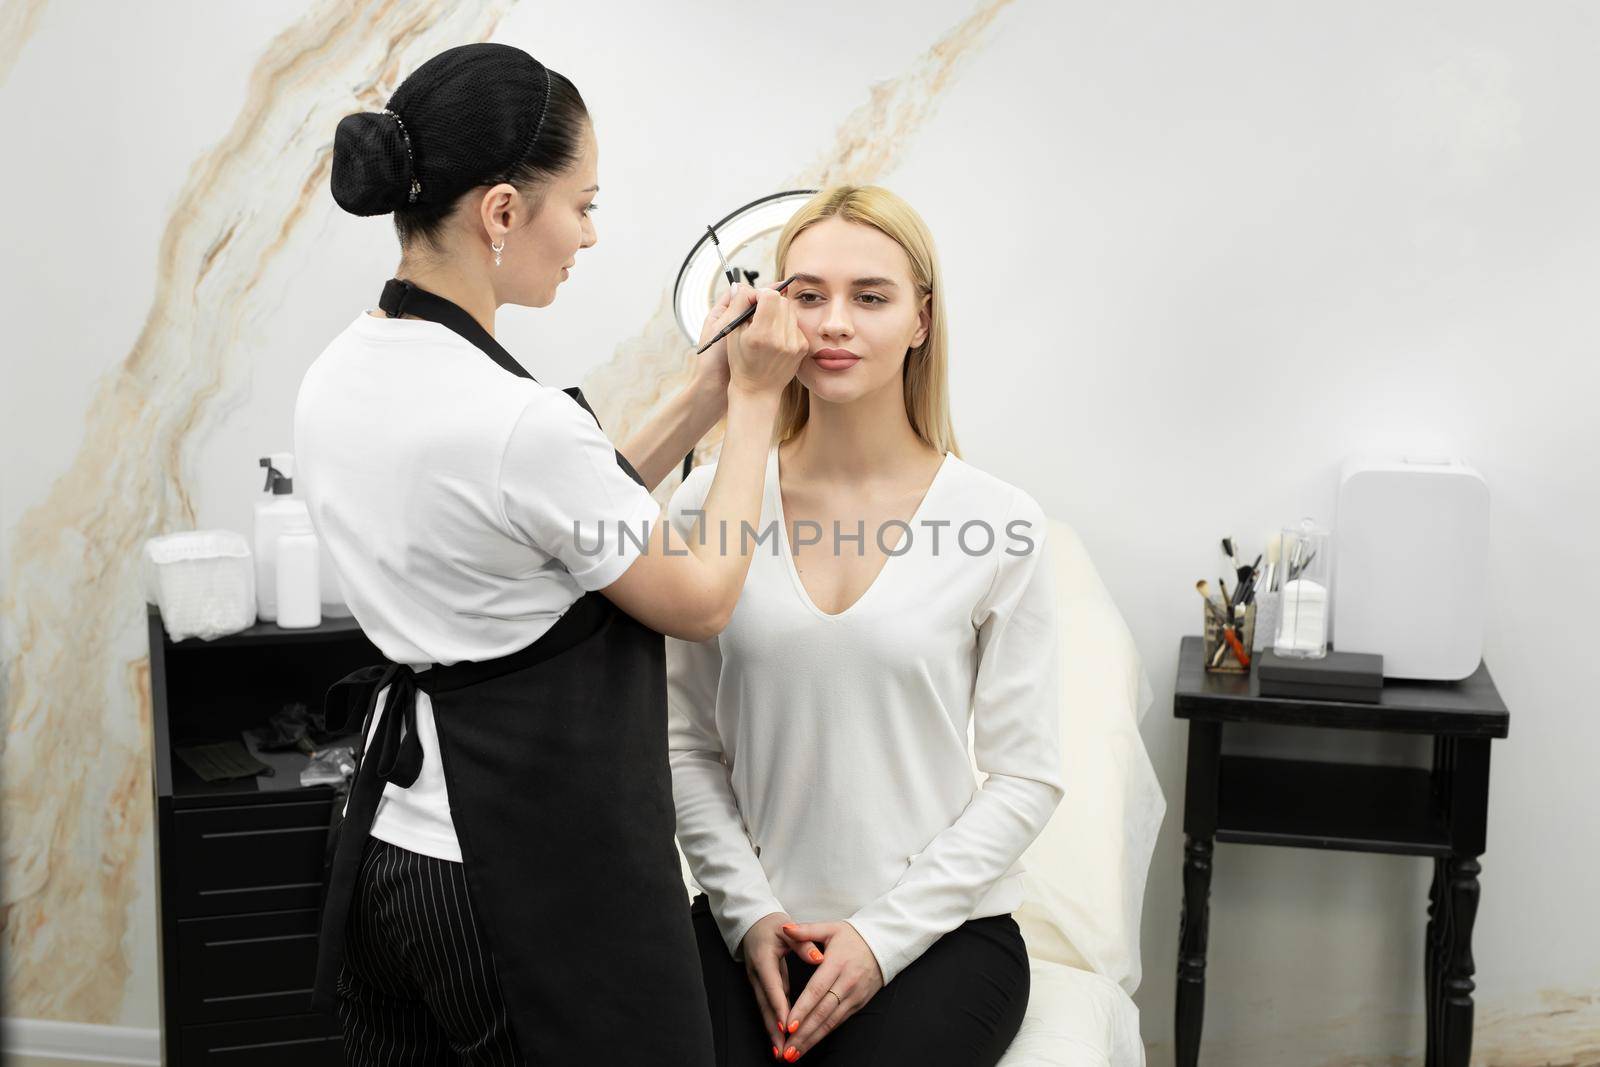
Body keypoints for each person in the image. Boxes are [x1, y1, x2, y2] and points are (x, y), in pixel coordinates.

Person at [294, 42, 809, 1065]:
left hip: (389, 855)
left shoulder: (345, 370)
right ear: (499, 212)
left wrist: (705, 389)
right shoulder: (513, 422)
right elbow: (699, 594)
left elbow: (551, 515)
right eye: (580, 203)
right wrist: (753, 404)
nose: (586, 234)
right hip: (512, 875)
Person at [664, 186, 1065, 1065]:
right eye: (806, 295)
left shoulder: (999, 521)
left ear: (922, 319)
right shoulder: (712, 504)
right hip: (750, 928)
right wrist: (747, 913)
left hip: (942, 936)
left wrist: (883, 938)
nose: (833, 322)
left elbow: (1026, 776)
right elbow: (683, 744)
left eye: (870, 297)